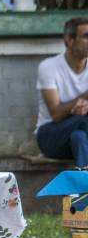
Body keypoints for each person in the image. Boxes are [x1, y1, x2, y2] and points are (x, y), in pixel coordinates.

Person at [35, 17, 88, 167]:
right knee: (84, 120)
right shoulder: (49, 67)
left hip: (79, 136)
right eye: (86, 36)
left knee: (79, 137)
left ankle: (82, 181)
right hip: (50, 135)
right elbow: (56, 114)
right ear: (69, 40)